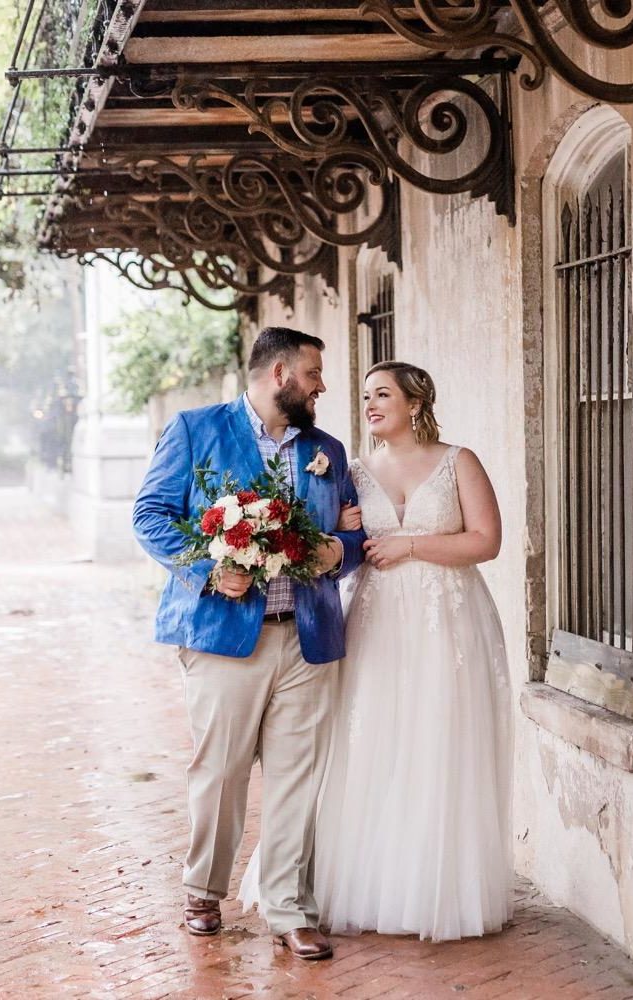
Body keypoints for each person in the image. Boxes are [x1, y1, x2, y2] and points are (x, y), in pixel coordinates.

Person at [240, 360, 513, 941]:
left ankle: (431, 891)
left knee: (440, 741)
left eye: (382, 394)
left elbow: (486, 541)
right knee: (371, 741)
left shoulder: (458, 460)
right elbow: (332, 539)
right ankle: (362, 882)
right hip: (376, 617)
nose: (369, 403)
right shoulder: (353, 470)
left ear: (415, 403)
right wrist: (340, 529)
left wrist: (411, 543)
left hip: (449, 619)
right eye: (365, 395)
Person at [133, 327, 366, 961]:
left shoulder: (328, 450)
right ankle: (204, 889)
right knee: (221, 772)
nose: (322, 386)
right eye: (315, 373)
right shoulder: (195, 429)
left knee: (298, 777)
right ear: (281, 374)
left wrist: (334, 553)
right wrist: (209, 567)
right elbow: (149, 515)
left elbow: (352, 536)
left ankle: (289, 908)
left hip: (309, 638)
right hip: (222, 637)